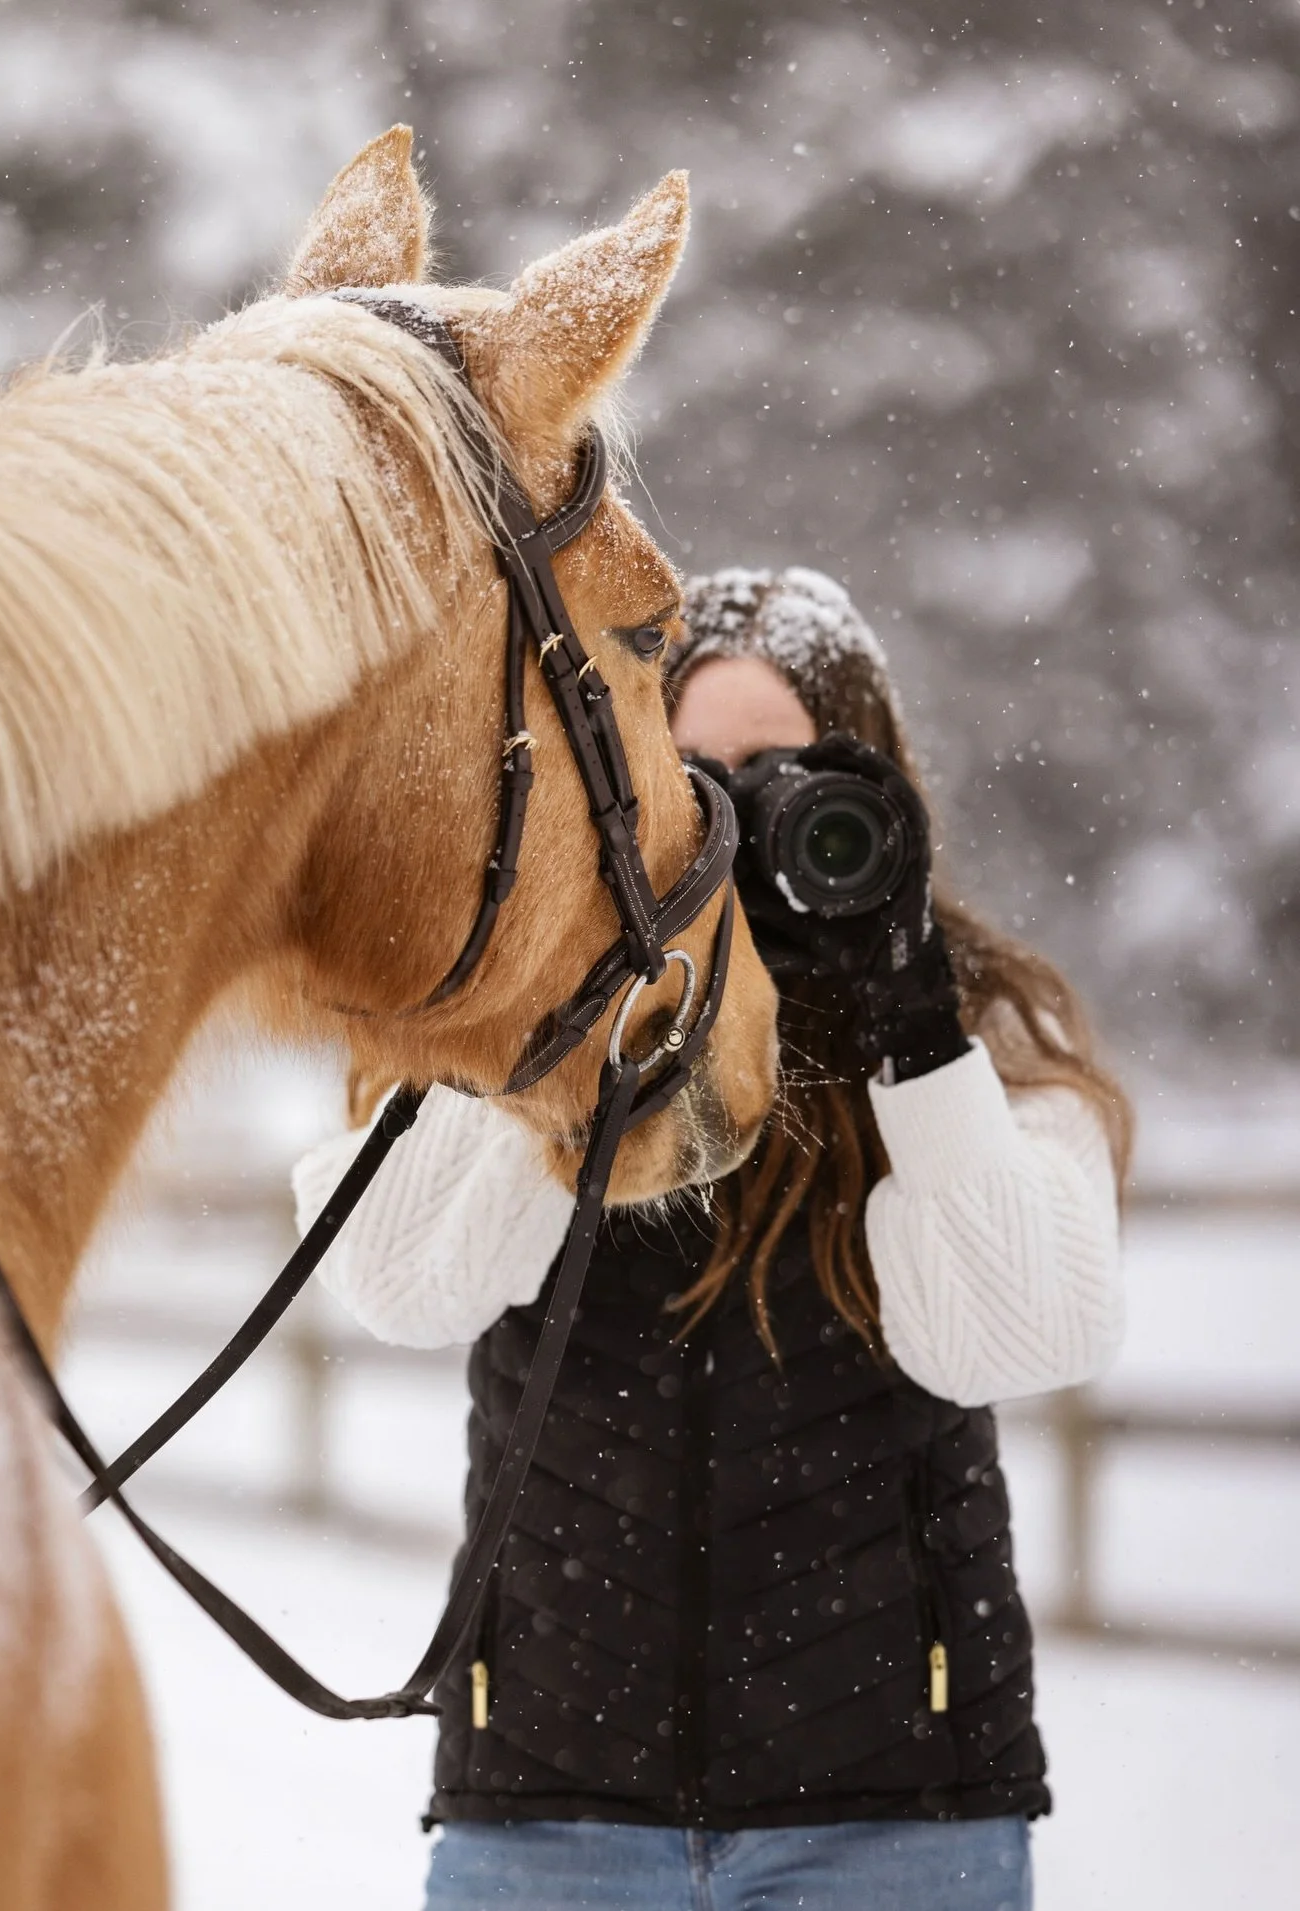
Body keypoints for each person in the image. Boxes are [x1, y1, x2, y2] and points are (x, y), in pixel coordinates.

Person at [293, 565, 1131, 1911]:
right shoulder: (536, 1017)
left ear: (869, 785)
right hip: (551, 1807)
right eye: (692, 780)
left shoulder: (975, 1032)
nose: (733, 826)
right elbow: (402, 1280)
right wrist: (569, 991)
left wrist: (907, 1031)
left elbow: (1017, 1337)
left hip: (893, 1820)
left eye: (778, 776)